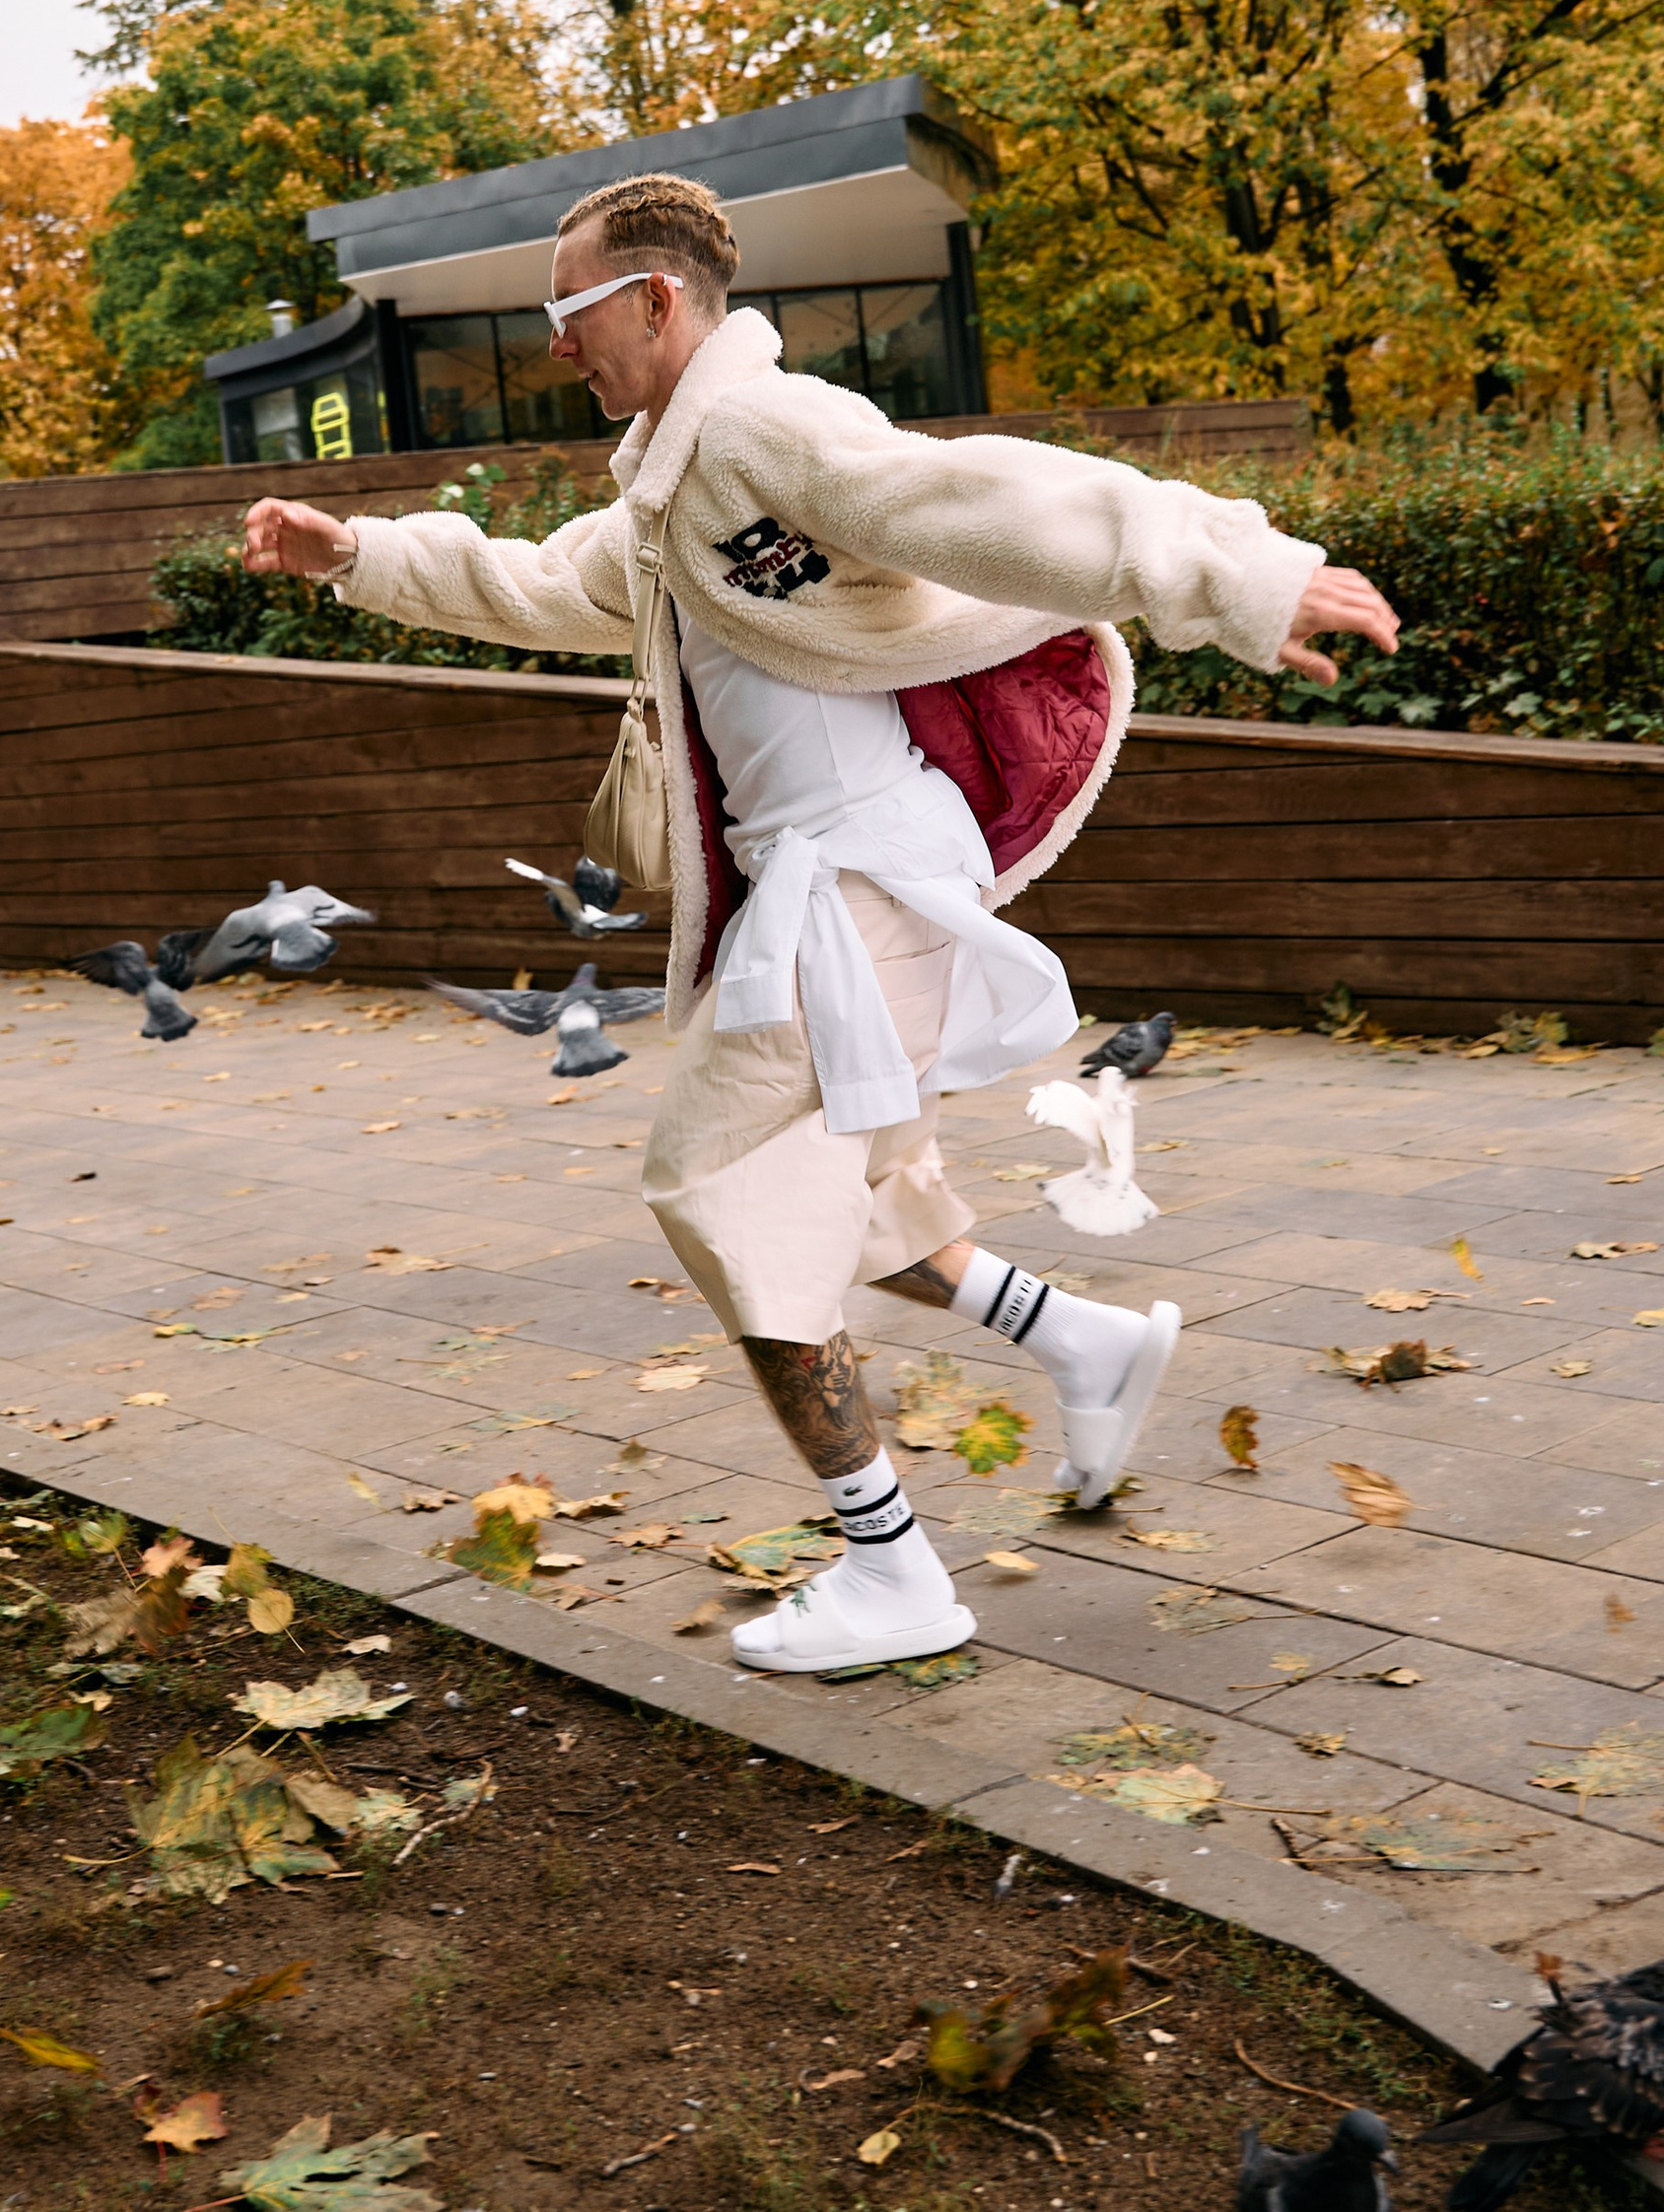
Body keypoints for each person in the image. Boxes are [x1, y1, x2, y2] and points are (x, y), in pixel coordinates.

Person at [243, 173, 1399, 1679]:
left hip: (853, 886)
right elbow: (542, 582)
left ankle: (893, 1571)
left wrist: (1243, 573)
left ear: (655, 304)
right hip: (834, 890)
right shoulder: (670, 482)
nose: (553, 348)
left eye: (566, 314)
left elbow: (982, 499)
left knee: (721, 1185)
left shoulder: (764, 430)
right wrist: (359, 557)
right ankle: (1083, 1342)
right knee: (865, 1190)